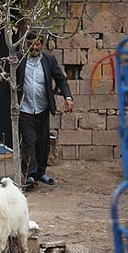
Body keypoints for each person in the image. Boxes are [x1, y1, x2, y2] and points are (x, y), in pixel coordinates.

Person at [17, 32, 74, 188]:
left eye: (37, 44)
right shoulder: (19, 60)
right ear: (26, 45)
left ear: (41, 44)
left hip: (42, 108)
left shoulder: (49, 60)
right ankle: (29, 175)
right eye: (30, 44)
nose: (34, 48)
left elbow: (61, 80)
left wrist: (68, 97)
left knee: (43, 143)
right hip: (25, 108)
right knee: (29, 141)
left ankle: (41, 172)